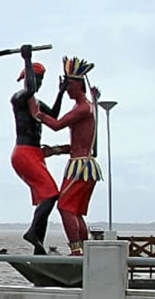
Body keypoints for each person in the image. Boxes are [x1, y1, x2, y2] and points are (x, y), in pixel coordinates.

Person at [28, 56, 100, 256]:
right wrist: (55, 151)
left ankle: (77, 252)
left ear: (78, 84)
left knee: (65, 207)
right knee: (74, 210)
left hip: (80, 166)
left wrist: (38, 114)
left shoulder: (83, 107)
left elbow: (57, 125)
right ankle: (84, 251)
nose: (67, 89)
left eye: (68, 86)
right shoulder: (86, 107)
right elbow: (81, 143)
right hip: (85, 164)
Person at [10, 45, 67, 255]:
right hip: (24, 153)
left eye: (42, 80)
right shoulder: (19, 98)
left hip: (35, 154)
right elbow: (30, 89)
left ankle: (38, 246)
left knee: (46, 197)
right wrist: (27, 59)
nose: (39, 84)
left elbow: (54, 115)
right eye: (36, 79)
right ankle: (33, 233)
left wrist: (60, 92)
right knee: (52, 194)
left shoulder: (37, 103)